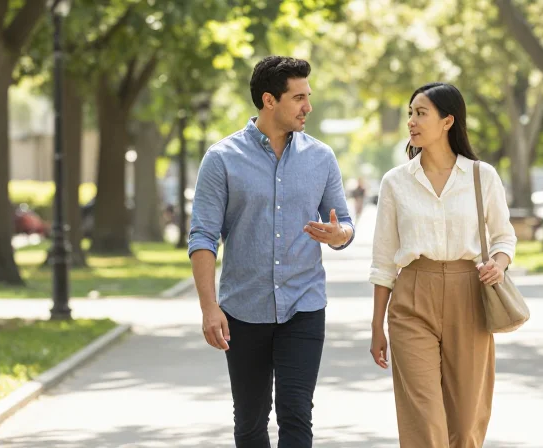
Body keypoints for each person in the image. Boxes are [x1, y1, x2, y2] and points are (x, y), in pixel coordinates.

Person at [188, 55, 355, 448]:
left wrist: (337, 234)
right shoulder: (222, 159)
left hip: (304, 304)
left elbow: (345, 224)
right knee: (249, 420)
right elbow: (202, 238)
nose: (307, 107)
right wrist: (209, 307)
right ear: (269, 100)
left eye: (307, 96)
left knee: (296, 413)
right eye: (298, 97)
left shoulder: (321, 157)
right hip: (244, 309)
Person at [369, 82, 517, 448]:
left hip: (470, 295)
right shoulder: (396, 182)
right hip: (412, 297)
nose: (412, 122)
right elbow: (384, 259)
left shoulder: (482, 176)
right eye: (410, 114)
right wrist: (376, 325)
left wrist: (499, 264)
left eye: (421, 113)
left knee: (466, 424)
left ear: (448, 121)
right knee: (424, 419)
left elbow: (504, 237)